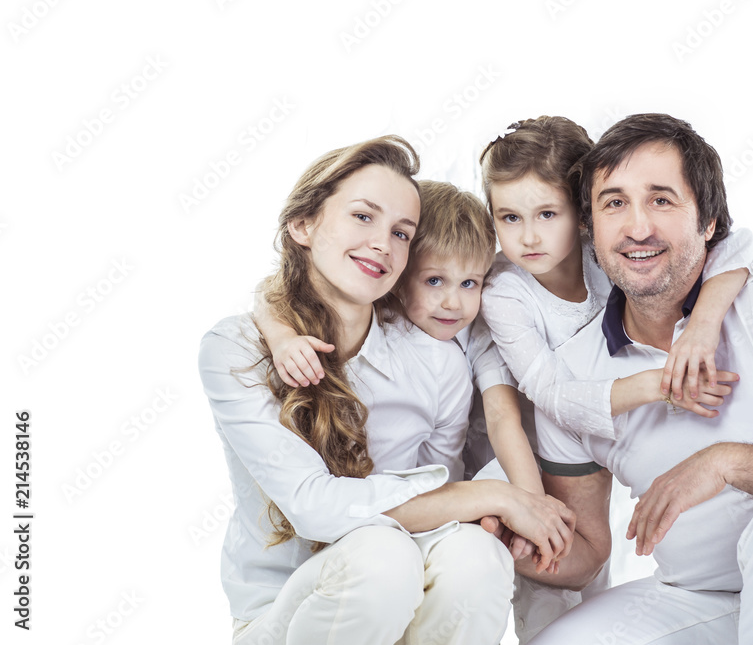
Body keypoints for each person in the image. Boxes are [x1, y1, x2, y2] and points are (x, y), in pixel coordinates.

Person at [515, 113, 753, 645]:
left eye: (661, 199)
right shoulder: (572, 375)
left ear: (708, 223)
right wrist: (519, 545)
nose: (637, 227)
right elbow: (586, 552)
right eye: (614, 203)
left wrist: (729, 463)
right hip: (697, 599)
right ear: (589, 228)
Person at [198, 136, 575, 645]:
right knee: (382, 556)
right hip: (287, 610)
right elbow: (315, 508)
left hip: (403, 589)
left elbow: (450, 493)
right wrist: (493, 495)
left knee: (477, 558)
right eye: (363, 217)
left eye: (401, 232)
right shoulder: (238, 349)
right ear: (303, 224)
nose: (382, 243)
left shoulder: (436, 354)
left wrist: (494, 504)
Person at [476, 116, 753, 642]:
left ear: (583, 216)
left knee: (598, 590)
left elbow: (736, 247)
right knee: (547, 596)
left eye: (547, 214)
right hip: (531, 455)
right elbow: (549, 394)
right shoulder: (504, 292)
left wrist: (702, 326)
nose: (529, 236)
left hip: (600, 442)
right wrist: (663, 382)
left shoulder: (606, 254)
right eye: (509, 218)